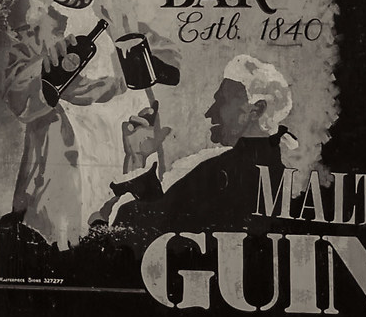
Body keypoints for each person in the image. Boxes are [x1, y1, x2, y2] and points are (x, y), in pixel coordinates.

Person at [2, 0, 181, 247]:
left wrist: (148, 64)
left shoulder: (118, 20)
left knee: (130, 234)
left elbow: (167, 56)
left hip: (126, 144)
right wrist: (48, 80)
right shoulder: (35, 35)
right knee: (74, 239)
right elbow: (18, 97)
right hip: (72, 153)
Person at [113, 54, 295, 229]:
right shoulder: (275, 171)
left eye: (222, 101)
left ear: (256, 110)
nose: (210, 112)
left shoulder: (221, 171)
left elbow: (148, 224)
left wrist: (136, 159)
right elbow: (168, 215)